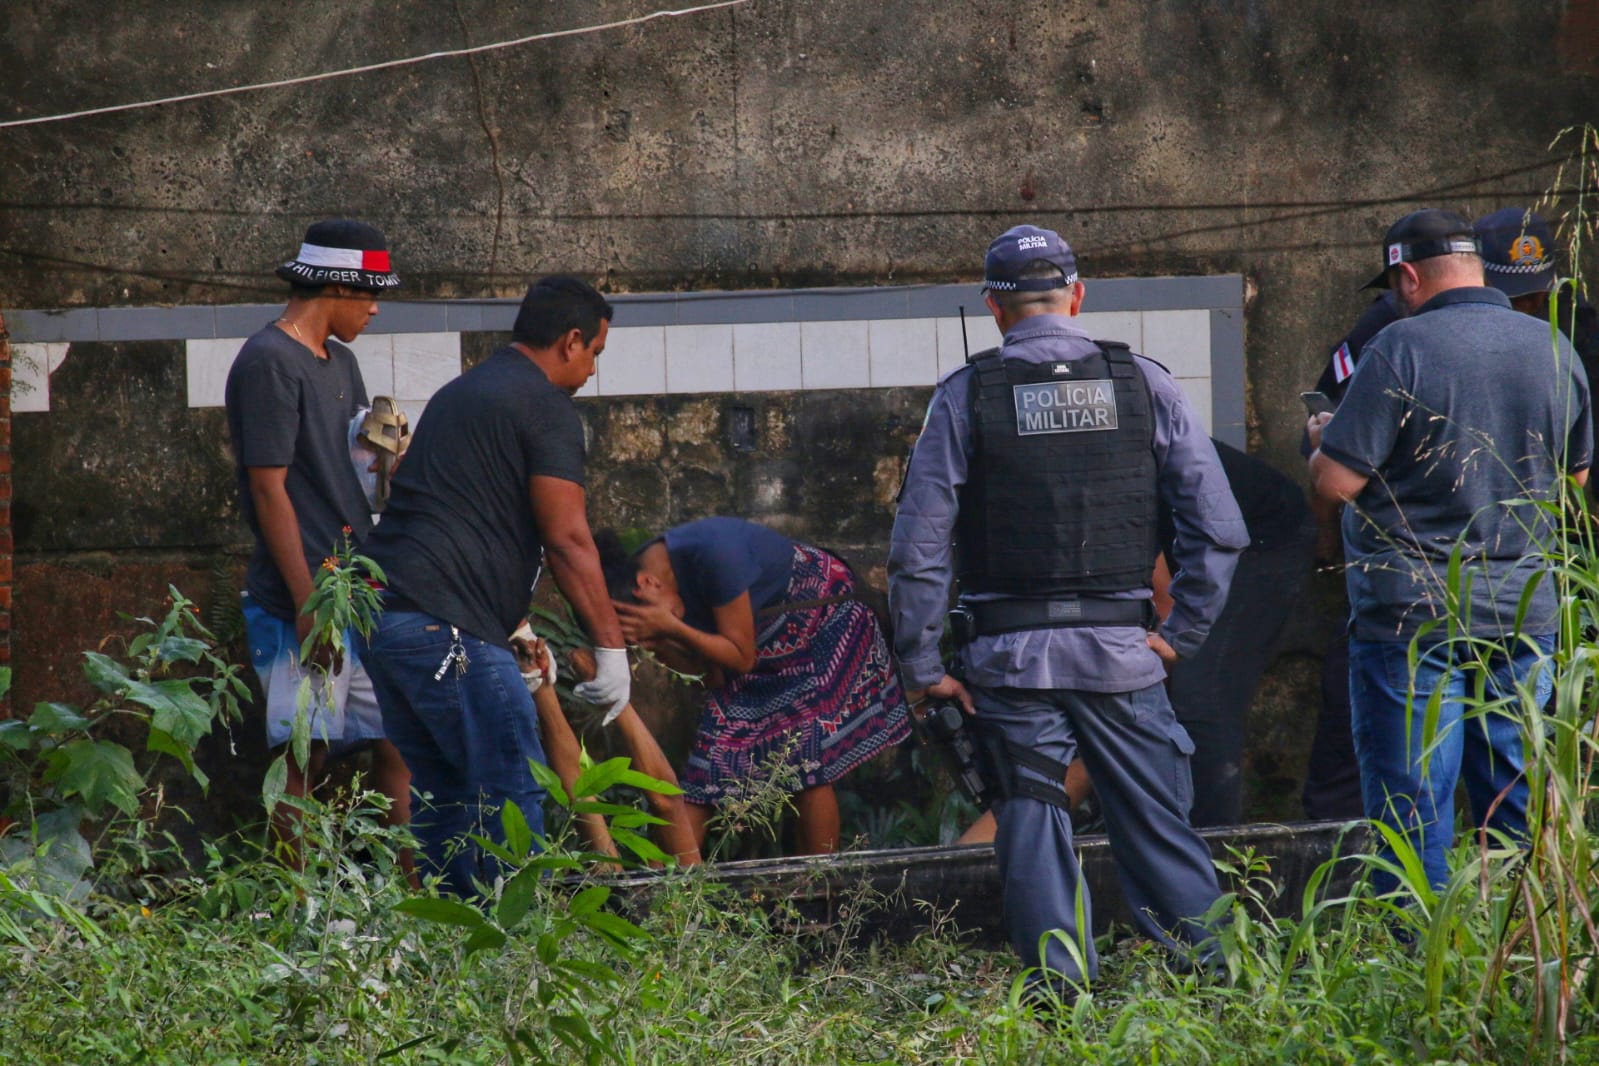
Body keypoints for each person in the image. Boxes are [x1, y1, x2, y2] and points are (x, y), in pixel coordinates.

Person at [888, 224, 1249, 1000]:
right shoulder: (1144, 382)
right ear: (1077, 296)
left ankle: (1061, 1004)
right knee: (1156, 825)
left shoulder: (966, 393)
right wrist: (1177, 634)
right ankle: (1217, 992)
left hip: (1008, 664)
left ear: (993, 307)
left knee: (1032, 825)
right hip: (1124, 657)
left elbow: (918, 551)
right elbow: (1217, 529)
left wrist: (921, 668)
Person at [1306, 209, 1592, 893]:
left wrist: (1320, 442)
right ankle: (1516, 946)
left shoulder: (1400, 348)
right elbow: (1573, 480)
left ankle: (1409, 961)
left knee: (1412, 801)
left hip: (1412, 617)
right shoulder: (1554, 347)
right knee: (1516, 798)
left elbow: (1337, 483)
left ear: (1406, 275)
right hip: (1523, 611)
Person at [360, 275, 632, 897]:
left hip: (388, 621)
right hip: (446, 629)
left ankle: (455, 965)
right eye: (594, 353)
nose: (592, 371)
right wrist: (611, 649)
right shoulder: (545, 406)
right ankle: (512, 965)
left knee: (448, 805)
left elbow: (452, 511)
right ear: (570, 342)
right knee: (509, 793)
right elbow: (567, 537)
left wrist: (511, 620)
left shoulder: (461, 394)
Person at [223, 219, 412, 864]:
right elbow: (269, 489)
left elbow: (352, 472)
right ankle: (303, 912)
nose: (374, 307)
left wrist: (386, 449)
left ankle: (405, 900)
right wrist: (307, 605)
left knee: (395, 741)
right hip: (300, 598)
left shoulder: (345, 361)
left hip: (355, 590)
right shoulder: (270, 362)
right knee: (305, 754)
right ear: (334, 285)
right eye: (367, 294)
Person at [599, 517, 910, 855]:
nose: (654, 646)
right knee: (707, 762)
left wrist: (670, 627)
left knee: (806, 759)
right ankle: (669, 892)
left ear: (647, 584)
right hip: (756, 643)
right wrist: (664, 636)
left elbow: (741, 657)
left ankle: (822, 890)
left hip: (820, 618)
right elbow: (710, 674)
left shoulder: (716, 554)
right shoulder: (656, 582)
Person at [1474, 207, 1599, 391]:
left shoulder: (1575, 319)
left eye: (1533, 293)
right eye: (1514, 296)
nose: (1527, 304)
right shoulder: (1466, 323)